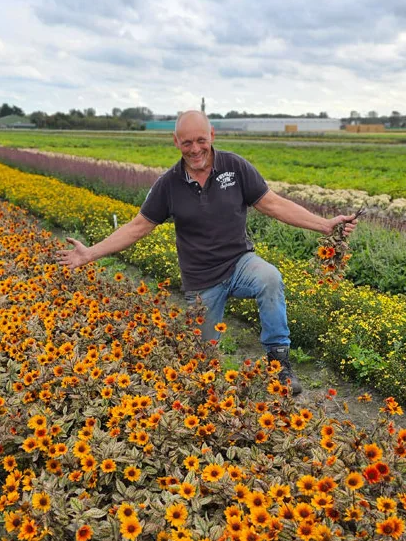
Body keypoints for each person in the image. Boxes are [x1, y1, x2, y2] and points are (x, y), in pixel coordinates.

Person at [54, 110, 358, 394]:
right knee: (202, 362)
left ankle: (279, 365)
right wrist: (89, 253)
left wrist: (325, 226)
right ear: (176, 142)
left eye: (201, 140)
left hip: (240, 263)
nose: (195, 149)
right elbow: (137, 226)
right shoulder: (168, 185)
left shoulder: (235, 167)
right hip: (202, 281)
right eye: (187, 143)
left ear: (211, 135)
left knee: (270, 278)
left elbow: (274, 204)